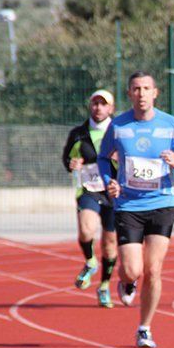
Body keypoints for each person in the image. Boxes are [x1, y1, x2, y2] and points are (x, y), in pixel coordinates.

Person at [97, 71, 174, 348]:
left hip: (162, 203)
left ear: (155, 93)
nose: (141, 93)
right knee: (132, 269)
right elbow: (104, 158)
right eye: (136, 89)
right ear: (129, 94)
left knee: (153, 269)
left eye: (146, 88)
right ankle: (126, 282)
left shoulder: (171, 125)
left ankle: (145, 327)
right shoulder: (118, 126)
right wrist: (109, 182)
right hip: (128, 205)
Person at [61, 89, 118, 308]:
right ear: (90, 106)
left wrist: (118, 161)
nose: (98, 107)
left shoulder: (119, 131)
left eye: (103, 104)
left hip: (113, 191)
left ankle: (104, 286)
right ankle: (90, 261)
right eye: (95, 103)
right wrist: (71, 164)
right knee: (86, 229)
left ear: (110, 108)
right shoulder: (78, 133)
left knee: (110, 243)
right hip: (89, 189)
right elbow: (67, 158)